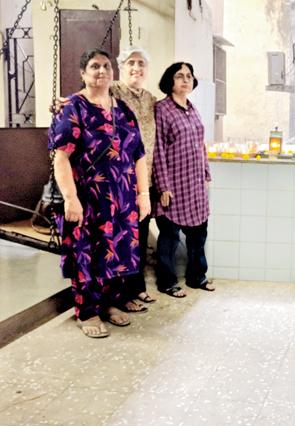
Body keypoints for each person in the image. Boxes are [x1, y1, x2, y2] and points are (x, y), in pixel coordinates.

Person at [49, 48, 150, 338]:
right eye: (94, 66)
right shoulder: (74, 108)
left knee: (116, 252)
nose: (102, 71)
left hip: (122, 200)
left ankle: (110, 303)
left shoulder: (122, 110)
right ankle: (88, 311)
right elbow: (62, 157)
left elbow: (139, 154)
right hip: (87, 199)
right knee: (86, 255)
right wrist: (70, 198)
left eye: (106, 66)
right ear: (83, 73)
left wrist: (143, 194)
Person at [153, 62, 214, 297]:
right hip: (174, 186)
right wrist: (163, 187)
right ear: (170, 81)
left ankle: (197, 277)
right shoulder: (162, 109)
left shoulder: (192, 107)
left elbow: (200, 144)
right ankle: (167, 282)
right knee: (169, 237)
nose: (185, 80)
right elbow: (158, 149)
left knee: (199, 234)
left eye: (189, 76)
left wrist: (206, 173)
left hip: (195, 184)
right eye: (180, 76)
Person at [111, 47, 158, 307]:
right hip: (119, 180)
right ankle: (120, 293)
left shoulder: (151, 99)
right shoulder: (113, 91)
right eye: (131, 63)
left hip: (145, 180)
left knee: (139, 236)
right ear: (122, 67)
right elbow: (84, 99)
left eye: (141, 63)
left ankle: (136, 287)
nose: (136, 68)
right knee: (121, 239)